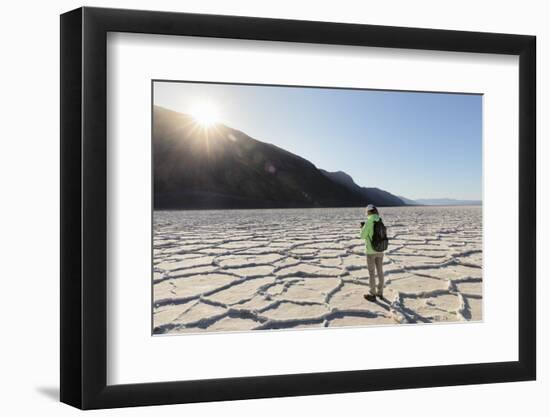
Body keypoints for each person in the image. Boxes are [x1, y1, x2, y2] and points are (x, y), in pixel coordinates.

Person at [360, 204, 385, 301]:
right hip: (380, 250)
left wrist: (362, 228)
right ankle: (380, 293)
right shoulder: (380, 220)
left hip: (371, 251)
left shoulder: (369, 221)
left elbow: (362, 236)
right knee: (380, 272)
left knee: (371, 273)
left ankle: (372, 294)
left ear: (369, 212)